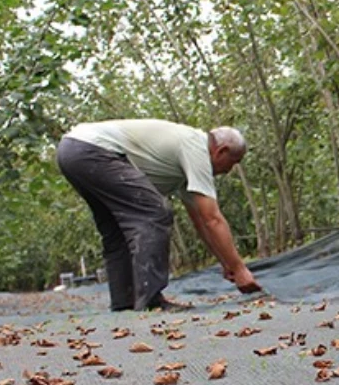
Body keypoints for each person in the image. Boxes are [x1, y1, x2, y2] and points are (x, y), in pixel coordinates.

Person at [56, 119, 261, 311]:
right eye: (233, 162)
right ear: (221, 151)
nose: (229, 170)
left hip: (71, 151)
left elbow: (201, 221)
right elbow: (213, 219)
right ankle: (151, 300)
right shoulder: (196, 147)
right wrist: (240, 268)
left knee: (117, 229)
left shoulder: (186, 161)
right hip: (92, 150)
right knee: (155, 212)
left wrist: (227, 263)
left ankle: (124, 302)